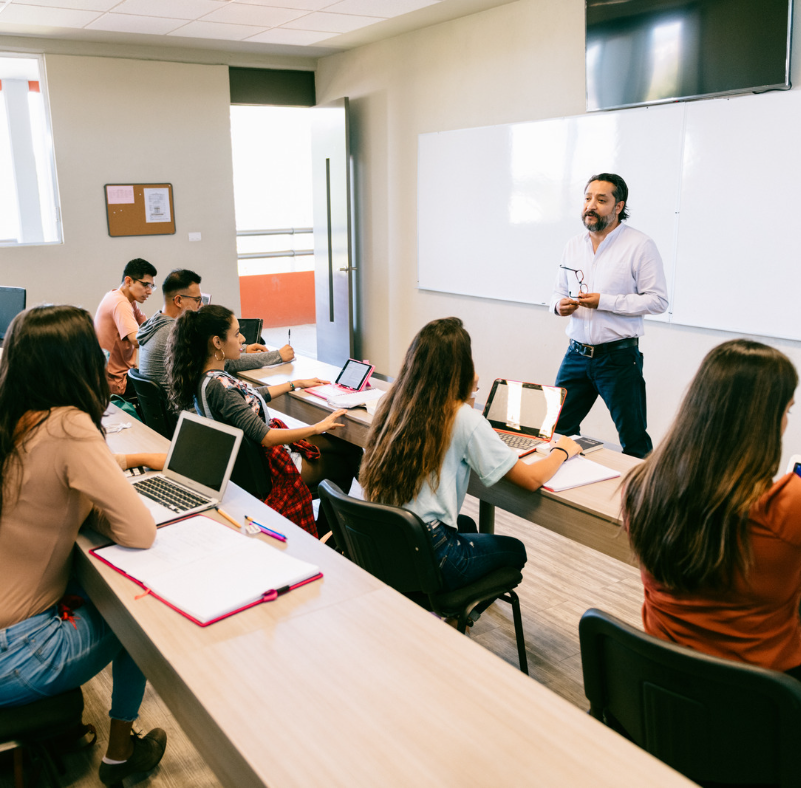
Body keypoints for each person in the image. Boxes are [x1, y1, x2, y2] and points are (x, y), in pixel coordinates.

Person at [0, 304, 168, 786]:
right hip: (7, 660)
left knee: (98, 590)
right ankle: (122, 753)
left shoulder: (3, 417)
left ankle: (69, 728)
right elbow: (140, 532)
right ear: (79, 361)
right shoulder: (69, 425)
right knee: (142, 613)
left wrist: (108, 479)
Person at [360, 317, 581, 594]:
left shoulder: (391, 402)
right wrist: (562, 450)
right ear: (460, 367)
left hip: (384, 537)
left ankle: (442, 607)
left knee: (467, 525)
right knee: (515, 550)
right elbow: (531, 479)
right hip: (429, 549)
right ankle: (453, 618)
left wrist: (468, 392)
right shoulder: (462, 418)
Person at [623, 338, 801, 677]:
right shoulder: (789, 505)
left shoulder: (641, 487)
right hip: (767, 699)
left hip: (663, 686)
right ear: (764, 419)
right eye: (787, 410)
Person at [166, 305, 361, 536]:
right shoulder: (222, 389)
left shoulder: (207, 378)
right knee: (350, 457)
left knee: (344, 447)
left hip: (250, 464)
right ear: (217, 342)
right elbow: (267, 437)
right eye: (236, 333)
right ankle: (333, 534)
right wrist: (318, 426)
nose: (243, 339)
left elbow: (249, 399)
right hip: (270, 468)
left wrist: (294, 384)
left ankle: (333, 531)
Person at [549, 173, 668, 458]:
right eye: (588, 198)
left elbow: (658, 301)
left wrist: (605, 302)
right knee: (556, 430)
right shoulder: (573, 245)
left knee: (634, 440)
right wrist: (558, 306)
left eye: (601, 200)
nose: (591, 205)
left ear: (618, 206)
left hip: (618, 359)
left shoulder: (640, 245)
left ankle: (641, 500)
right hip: (576, 356)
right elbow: (556, 292)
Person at [137, 268, 293, 400]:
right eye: (197, 300)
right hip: (187, 414)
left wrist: (243, 348)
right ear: (178, 301)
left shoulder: (155, 323)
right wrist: (277, 356)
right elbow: (223, 361)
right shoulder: (173, 334)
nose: (201, 305)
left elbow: (211, 353)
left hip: (171, 414)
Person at [94, 258, 157, 398]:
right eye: (146, 285)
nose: (150, 291)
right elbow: (136, 339)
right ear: (129, 281)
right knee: (165, 387)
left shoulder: (123, 298)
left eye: (152, 286)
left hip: (113, 376)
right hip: (116, 382)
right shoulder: (120, 303)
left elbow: (147, 326)